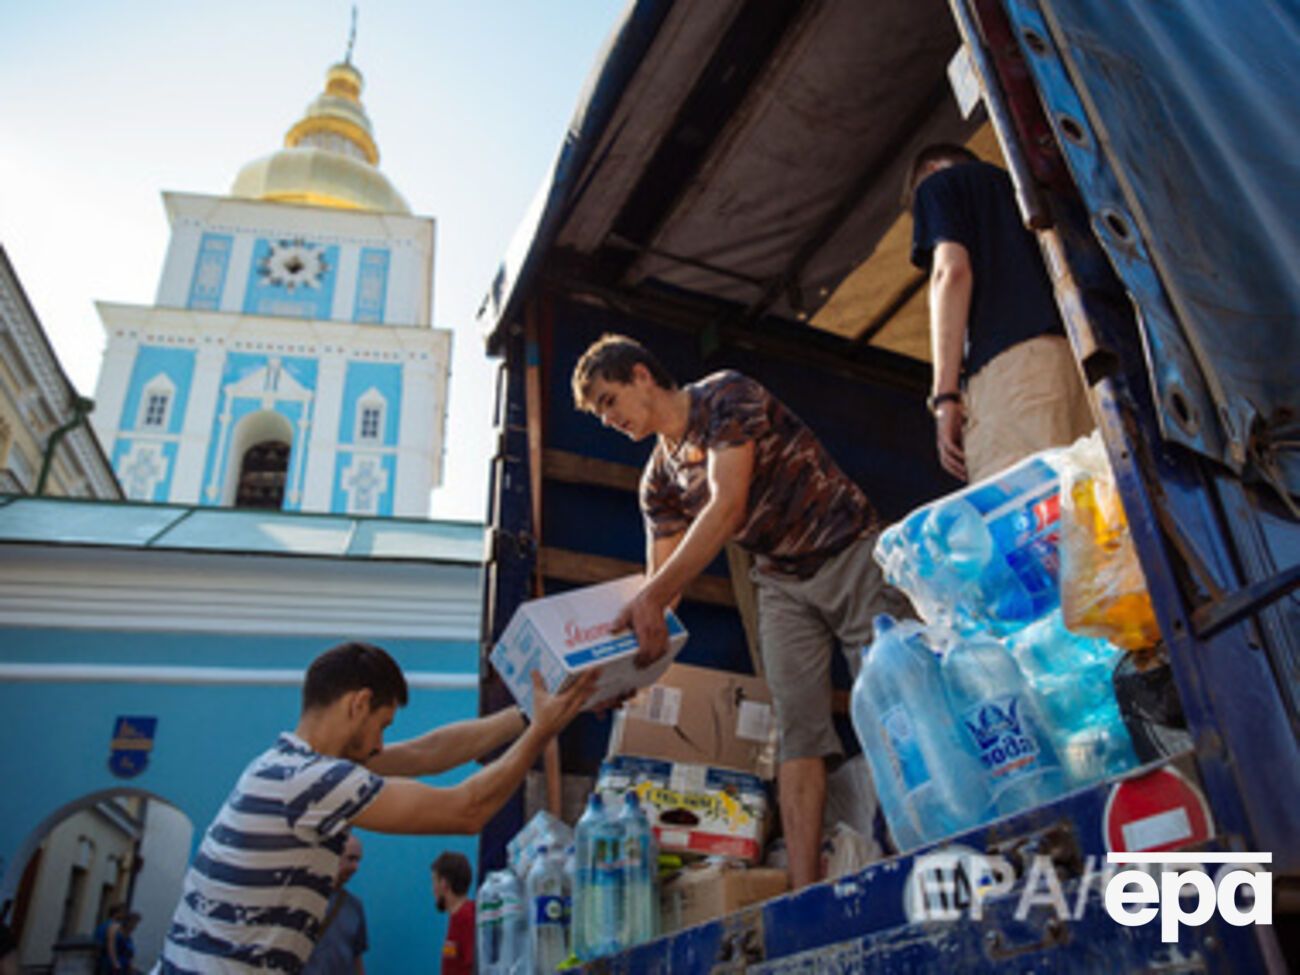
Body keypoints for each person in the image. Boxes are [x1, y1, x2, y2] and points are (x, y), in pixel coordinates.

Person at [571, 334, 913, 890]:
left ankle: (924, 848)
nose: (606, 419)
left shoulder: (726, 396)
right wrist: (624, 672)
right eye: (597, 413)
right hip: (780, 583)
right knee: (798, 734)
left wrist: (651, 600)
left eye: (608, 400)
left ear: (640, 374)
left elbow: (727, 507)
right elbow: (662, 590)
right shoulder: (658, 481)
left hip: (846, 548)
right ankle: (805, 892)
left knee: (894, 702)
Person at [158, 641, 596, 973]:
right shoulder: (315, 780)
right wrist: (541, 732)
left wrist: (526, 716)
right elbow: (466, 810)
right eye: (382, 726)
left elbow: (428, 753)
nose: (381, 745)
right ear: (358, 704)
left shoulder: (285, 766)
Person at [908, 144, 1094, 483]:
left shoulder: (938, 186)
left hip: (1014, 372)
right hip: (1079, 363)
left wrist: (945, 396)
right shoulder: (1039, 196)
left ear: (933, 169)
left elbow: (951, 273)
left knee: (1029, 511)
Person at [302, 834, 368, 974]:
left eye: (358, 860)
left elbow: (356, 957)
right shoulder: (301, 900)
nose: (356, 867)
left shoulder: (355, 906)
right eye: (351, 858)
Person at [430, 851, 475, 975]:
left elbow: (473, 967)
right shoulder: (457, 917)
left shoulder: (467, 919)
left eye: (434, 881)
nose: (433, 889)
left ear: (444, 884)